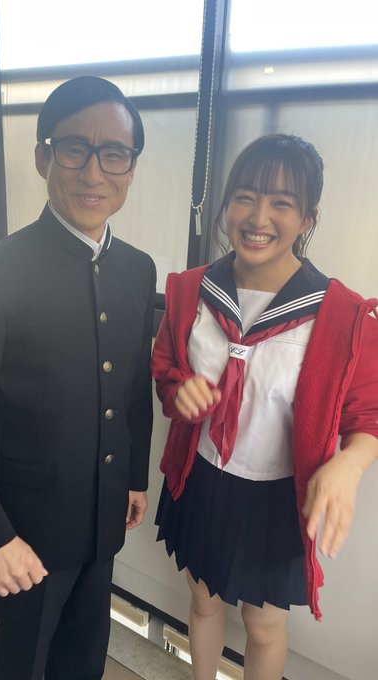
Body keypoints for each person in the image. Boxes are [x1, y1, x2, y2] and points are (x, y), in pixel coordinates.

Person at [0, 76, 156, 680]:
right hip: (24, 534)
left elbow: (133, 385)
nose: (94, 173)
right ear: (42, 157)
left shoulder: (137, 269)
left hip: (104, 519)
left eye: (114, 154)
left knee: (84, 661)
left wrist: (133, 477)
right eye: (74, 149)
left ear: (131, 168)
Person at [151, 133, 378, 680]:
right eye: (245, 196)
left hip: (277, 496)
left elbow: (367, 414)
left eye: (282, 202)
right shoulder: (191, 292)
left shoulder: (341, 316)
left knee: (264, 625)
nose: (258, 217)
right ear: (227, 204)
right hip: (203, 478)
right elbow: (165, 368)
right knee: (203, 601)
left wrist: (349, 464)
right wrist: (179, 392)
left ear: (308, 218)